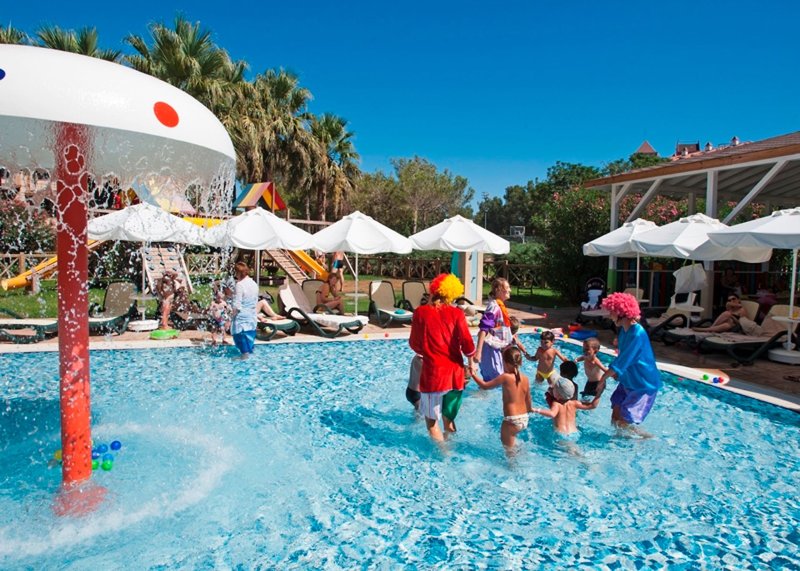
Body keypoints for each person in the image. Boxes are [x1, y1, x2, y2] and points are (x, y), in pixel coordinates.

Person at [408, 273, 477, 442]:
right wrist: (471, 361)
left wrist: (426, 350)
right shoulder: (457, 314)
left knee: (432, 423)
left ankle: (443, 453)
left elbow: (414, 344)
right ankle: (452, 447)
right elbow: (467, 343)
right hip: (455, 375)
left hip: (434, 376)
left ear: (432, 290)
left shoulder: (420, 313)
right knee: (449, 419)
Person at [597, 292, 662, 434]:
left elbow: (622, 361)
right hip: (628, 381)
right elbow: (623, 358)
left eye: (612, 312)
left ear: (621, 313)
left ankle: (645, 439)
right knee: (615, 415)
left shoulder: (637, 334)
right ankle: (616, 442)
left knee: (625, 421)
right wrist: (617, 375)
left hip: (642, 384)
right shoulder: (624, 331)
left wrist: (603, 379)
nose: (610, 315)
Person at [469, 346, 532, 452]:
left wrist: (473, 374)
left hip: (512, 420)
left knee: (509, 451)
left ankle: (515, 462)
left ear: (505, 363)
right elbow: (528, 400)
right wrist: (530, 409)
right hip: (524, 418)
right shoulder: (525, 379)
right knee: (513, 446)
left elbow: (485, 386)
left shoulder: (505, 377)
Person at [530, 375, 600, 436]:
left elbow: (552, 414)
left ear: (558, 394)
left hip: (561, 433)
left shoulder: (556, 404)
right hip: (574, 432)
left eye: (554, 389)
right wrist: (599, 393)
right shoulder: (574, 403)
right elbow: (592, 405)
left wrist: (535, 409)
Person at [475, 278, 514, 381]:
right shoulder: (494, 307)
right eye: (507, 287)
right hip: (490, 349)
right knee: (494, 380)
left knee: (496, 381)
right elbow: (484, 329)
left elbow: (501, 328)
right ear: (498, 289)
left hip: (496, 349)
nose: (510, 290)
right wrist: (478, 352)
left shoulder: (499, 306)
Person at [230, 261, 259, 359]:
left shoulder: (240, 285)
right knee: (249, 343)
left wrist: (231, 317)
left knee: (242, 344)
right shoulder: (254, 283)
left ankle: (243, 358)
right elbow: (255, 301)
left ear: (238, 272)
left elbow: (237, 305)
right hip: (252, 317)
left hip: (241, 319)